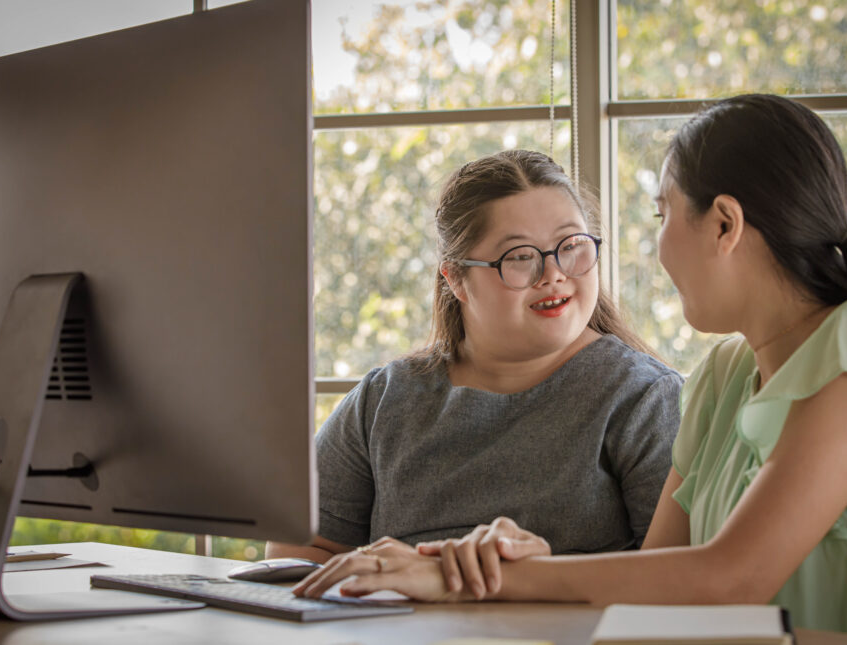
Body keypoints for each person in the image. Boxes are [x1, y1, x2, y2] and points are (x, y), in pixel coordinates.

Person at [295, 95, 847, 644]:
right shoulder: (721, 377)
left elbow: (729, 578)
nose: (654, 249)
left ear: (724, 224)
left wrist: (457, 578)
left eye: (662, 214)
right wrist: (521, 561)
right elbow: (660, 578)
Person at [267, 149, 683, 580]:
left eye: (571, 246)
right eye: (520, 257)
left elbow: (670, 582)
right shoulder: (385, 399)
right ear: (456, 279)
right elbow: (298, 549)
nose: (553, 273)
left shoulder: (643, 397)